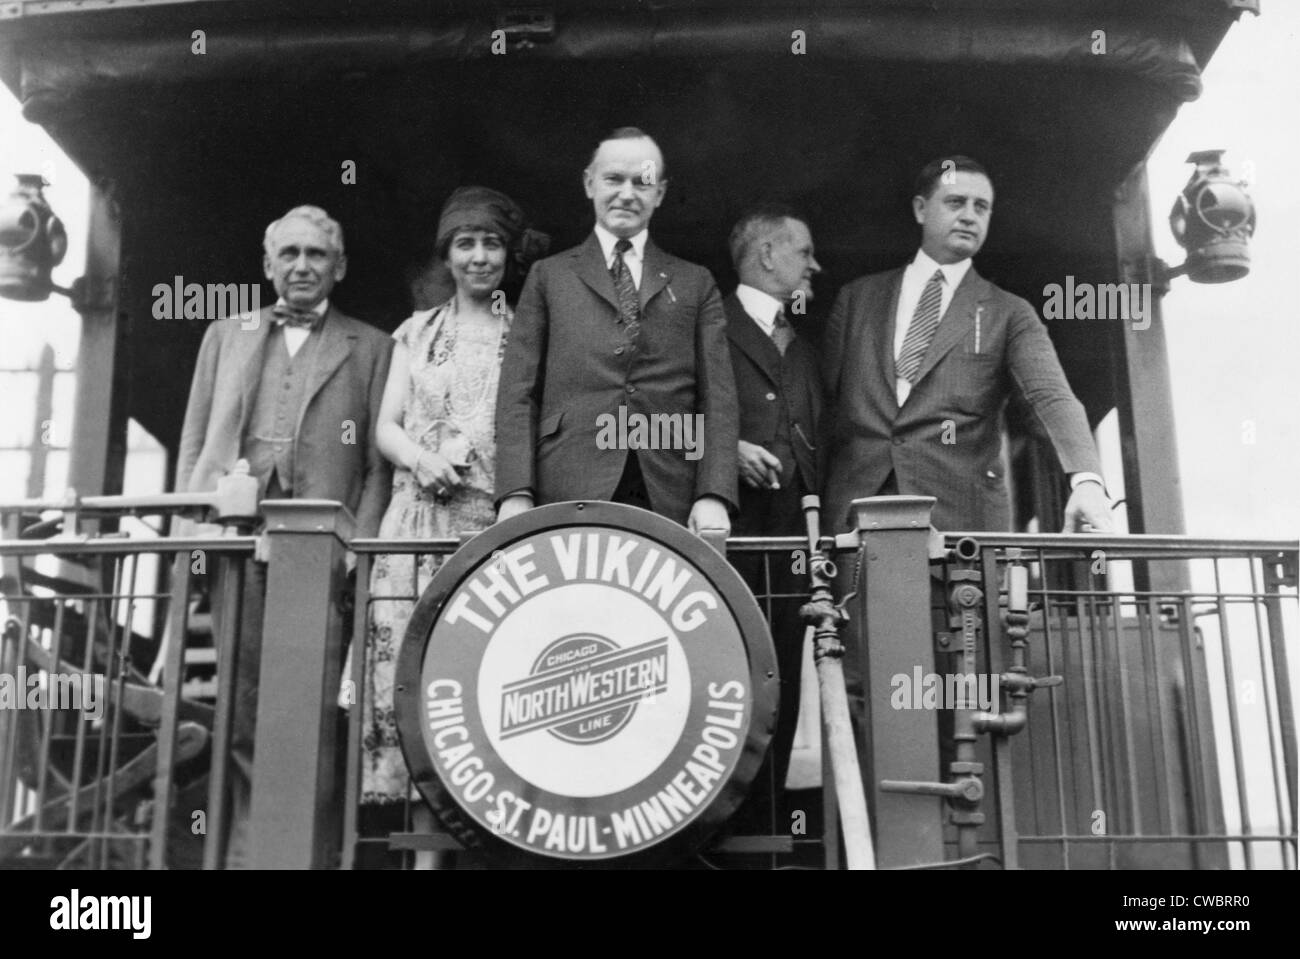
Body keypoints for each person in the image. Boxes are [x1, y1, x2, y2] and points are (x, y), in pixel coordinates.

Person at [176, 204, 393, 866]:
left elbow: (378, 469)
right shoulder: (225, 333)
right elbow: (196, 436)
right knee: (241, 708)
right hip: (236, 545)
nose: (303, 265)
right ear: (268, 265)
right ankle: (248, 854)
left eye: (317, 254)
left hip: (322, 556)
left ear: (340, 267)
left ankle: (308, 857)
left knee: (306, 712)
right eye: (290, 253)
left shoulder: (374, 346)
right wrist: (191, 527)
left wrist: (364, 549)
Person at [350, 186, 542, 862]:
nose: (479, 256)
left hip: (492, 532)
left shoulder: (529, 330)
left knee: (488, 690)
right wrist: (422, 458)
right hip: (416, 528)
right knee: (421, 691)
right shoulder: (417, 330)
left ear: (507, 254)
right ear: (449, 253)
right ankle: (427, 858)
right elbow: (383, 427)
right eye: (466, 244)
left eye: (491, 243)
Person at [822, 155, 1112, 535]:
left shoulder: (1010, 312)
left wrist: (1087, 481)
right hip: (855, 520)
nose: (970, 216)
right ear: (921, 209)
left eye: (982, 207)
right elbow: (822, 409)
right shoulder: (857, 299)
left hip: (960, 532)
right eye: (956, 202)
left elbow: (1051, 397)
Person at [494, 127, 738, 533]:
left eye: (641, 182)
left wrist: (712, 494)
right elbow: (517, 395)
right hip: (566, 485)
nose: (627, 193)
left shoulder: (695, 282)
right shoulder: (548, 276)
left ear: (659, 193)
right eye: (613, 179)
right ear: (590, 184)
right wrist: (516, 492)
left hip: (667, 486)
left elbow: (719, 401)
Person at [722, 204, 824, 826]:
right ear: (766, 255)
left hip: (795, 541)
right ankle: (717, 837)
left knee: (784, 677)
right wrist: (722, 449)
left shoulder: (804, 342)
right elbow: (657, 410)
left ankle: (767, 829)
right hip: (729, 539)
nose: (816, 264)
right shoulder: (706, 322)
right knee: (728, 679)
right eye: (804, 251)